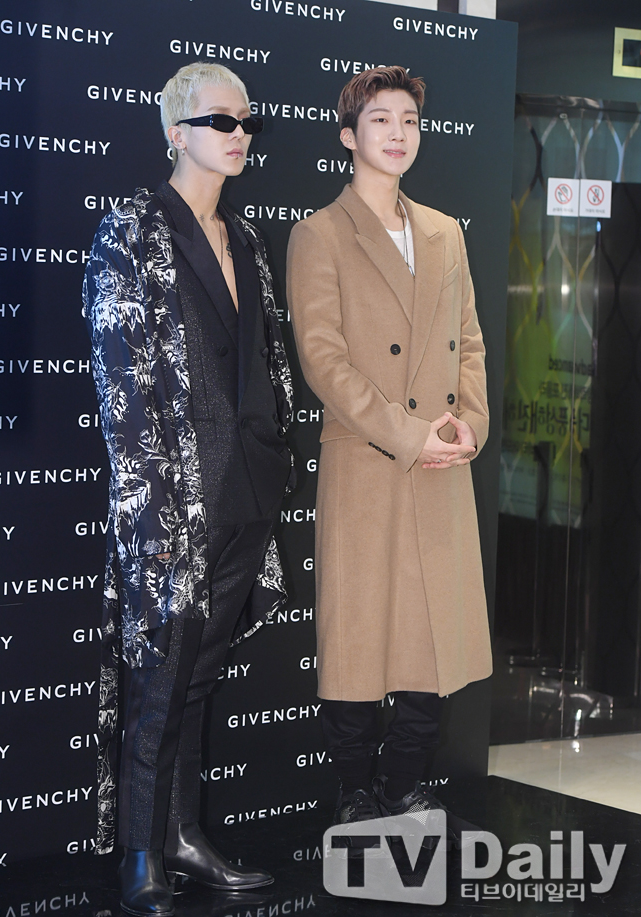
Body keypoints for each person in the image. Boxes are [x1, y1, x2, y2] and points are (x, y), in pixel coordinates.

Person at [83, 62, 294, 917]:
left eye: (247, 122)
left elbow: (264, 362)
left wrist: (275, 456)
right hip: (173, 495)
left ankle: (182, 835)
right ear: (176, 132)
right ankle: (140, 850)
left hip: (248, 486)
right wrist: (150, 505)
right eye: (220, 120)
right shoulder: (131, 231)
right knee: (160, 675)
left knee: (199, 674)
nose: (240, 134)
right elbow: (119, 382)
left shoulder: (248, 241)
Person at [286, 66, 491, 843]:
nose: (398, 133)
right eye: (380, 120)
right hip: (369, 462)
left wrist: (469, 424)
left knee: (429, 640)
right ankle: (354, 795)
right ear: (349, 136)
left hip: (442, 462)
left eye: (409, 119)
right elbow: (323, 359)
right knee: (358, 637)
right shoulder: (319, 234)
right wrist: (409, 435)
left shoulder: (444, 231)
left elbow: (470, 340)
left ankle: (404, 787)